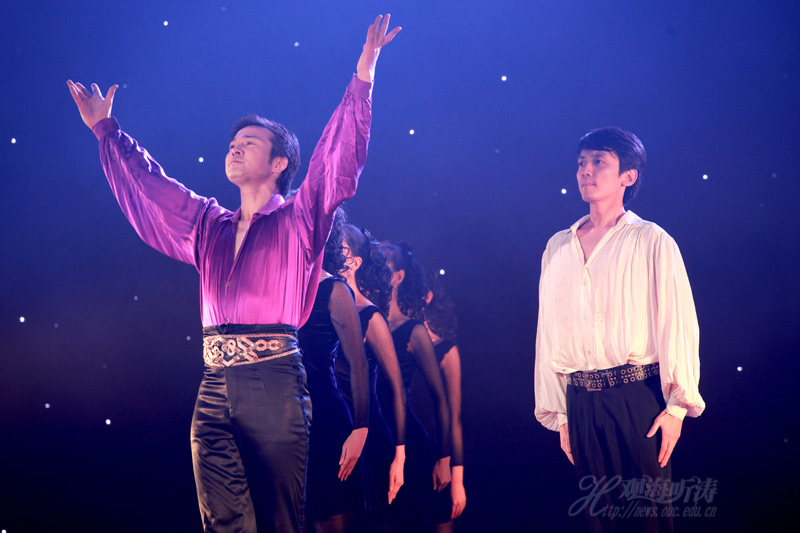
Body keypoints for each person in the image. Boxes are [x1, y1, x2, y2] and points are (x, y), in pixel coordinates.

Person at [67, 14, 401, 533]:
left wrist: (364, 76)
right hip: (213, 386)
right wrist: (106, 131)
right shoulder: (208, 225)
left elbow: (334, 162)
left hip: (275, 382)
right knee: (223, 522)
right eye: (232, 142)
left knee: (278, 520)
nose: (235, 146)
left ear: (280, 164)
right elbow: (153, 189)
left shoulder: (299, 219)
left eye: (250, 141)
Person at [534, 127, 705, 532]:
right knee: (601, 521)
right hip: (580, 401)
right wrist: (561, 414)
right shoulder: (558, 246)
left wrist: (677, 407)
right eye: (581, 162)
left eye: (599, 162)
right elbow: (548, 331)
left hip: (636, 397)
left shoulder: (651, 240)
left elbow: (677, 321)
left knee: (648, 518)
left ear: (628, 176)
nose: (585, 171)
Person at [298, 208, 370, 532]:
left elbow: (359, 365)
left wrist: (360, 429)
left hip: (327, 419)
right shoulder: (279, 288)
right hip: (286, 420)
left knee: (332, 522)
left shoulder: (335, 290)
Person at [335, 223, 407, 531]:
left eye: (337, 248)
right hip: (332, 431)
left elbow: (396, 389)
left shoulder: (369, 315)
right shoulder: (316, 310)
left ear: (354, 262)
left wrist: (400, 456)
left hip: (368, 435)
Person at [379, 242, 451, 532]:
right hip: (373, 435)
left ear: (398, 276)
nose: (376, 261)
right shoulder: (358, 320)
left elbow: (440, 399)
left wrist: (444, 458)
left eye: (383, 259)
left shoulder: (412, 330)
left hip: (407, 440)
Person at [423, 273, 467, 529]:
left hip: (439, 454)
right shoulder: (393, 344)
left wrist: (457, 478)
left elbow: (454, 417)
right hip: (406, 449)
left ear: (426, 297)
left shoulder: (445, 349)